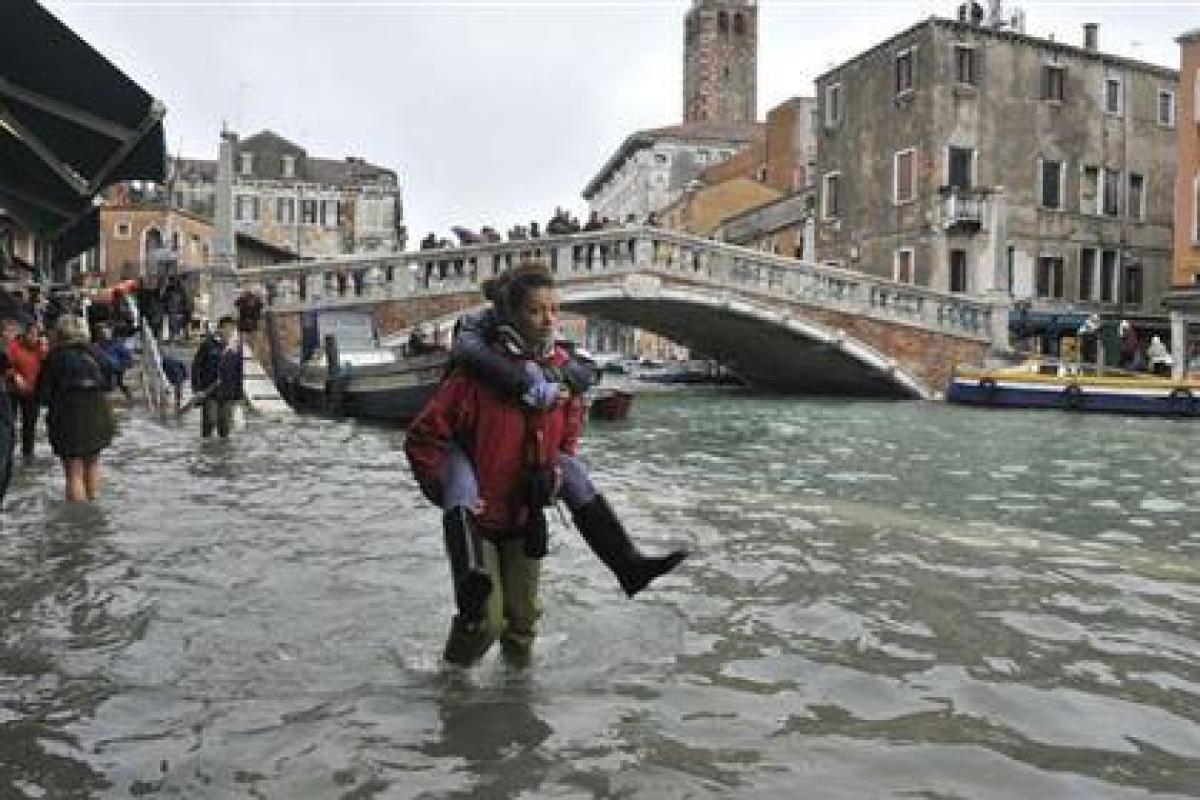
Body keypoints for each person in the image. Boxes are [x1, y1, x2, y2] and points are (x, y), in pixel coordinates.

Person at [406, 262, 686, 668]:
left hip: (524, 514)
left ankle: (517, 704)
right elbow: (423, 439)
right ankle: (450, 689)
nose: (548, 321)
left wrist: (554, 477)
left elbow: (569, 438)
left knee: (522, 625)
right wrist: (445, 488)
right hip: (478, 518)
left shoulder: (563, 373)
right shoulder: (473, 377)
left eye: (554, 310)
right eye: (536, 312)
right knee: (484, 623)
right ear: (512, 314)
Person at [35, 315, 117, 502]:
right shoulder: (96, 352)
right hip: (98, 411)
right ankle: (93, 508)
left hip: (67, 412)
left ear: (59, 333)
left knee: (73, 470)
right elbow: (112, 377)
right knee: (93, 461)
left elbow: (42, 395)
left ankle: (78, 522)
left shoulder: (54, 357)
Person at [190, 316, 244, 439]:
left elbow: (238, 371)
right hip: (210, 391)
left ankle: (223, 452)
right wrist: (197, 388)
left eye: (232, 329)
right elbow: (196, 366)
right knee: (210, 420)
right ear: (220, 329)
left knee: (225, 426)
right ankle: (206, 445)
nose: (229, 332)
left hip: (228, 392)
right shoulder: (208, 345)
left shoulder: (236, 348)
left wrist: (238, 395)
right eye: (227, 329)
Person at [6, 320, 48, 458]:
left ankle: (28, 455)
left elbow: (47, 367)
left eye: (36, 335)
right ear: (24, 335)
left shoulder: (40, 348)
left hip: (33, 391)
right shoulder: (13, 346)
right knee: (10, 424)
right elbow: (6, 365)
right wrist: (15, 375)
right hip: (13, 391)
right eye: (31, 334)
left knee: (29, 426)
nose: (33, 338)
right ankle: (8, 452)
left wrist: (43, 349)